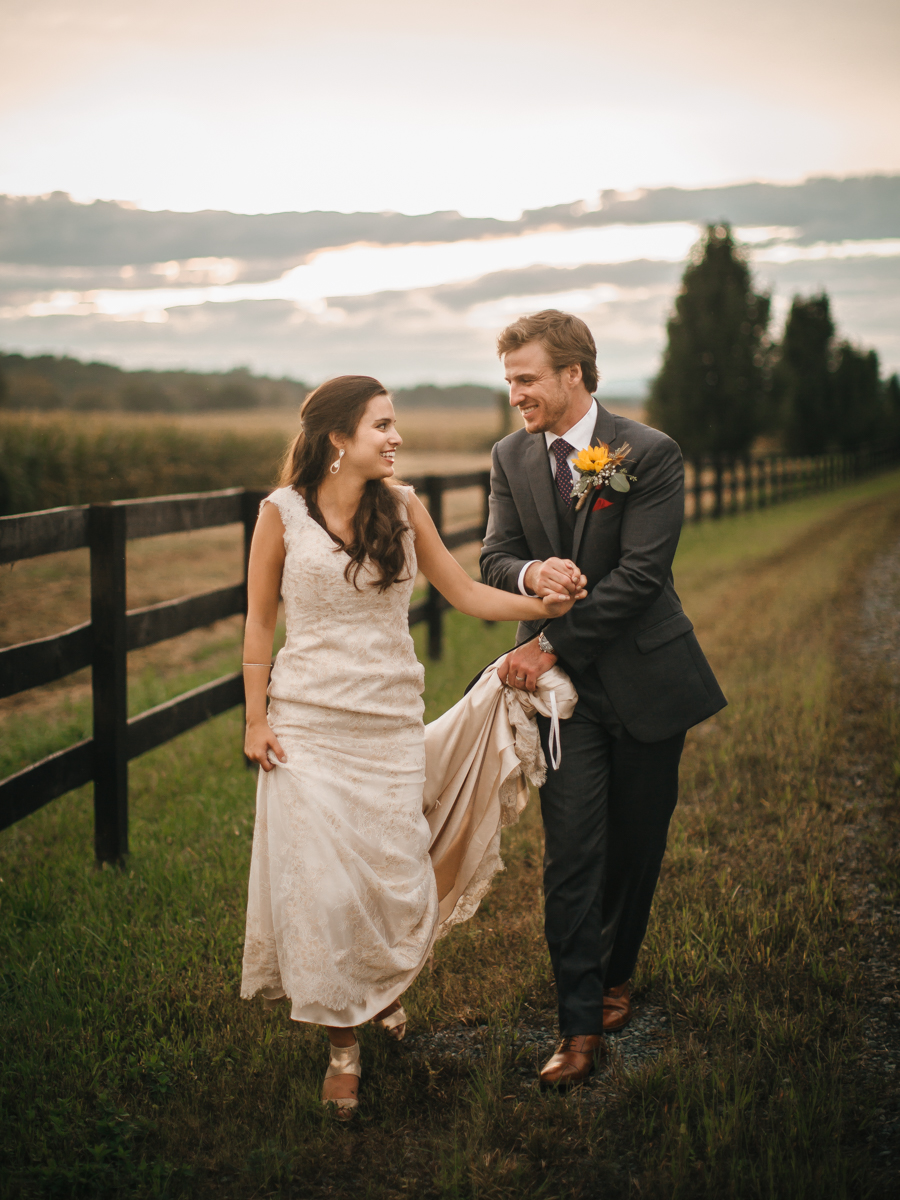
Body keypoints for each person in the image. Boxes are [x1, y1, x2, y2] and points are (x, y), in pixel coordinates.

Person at [239, 374, 584, 1118]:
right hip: (306, 727)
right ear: (339, 438)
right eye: (382, 426)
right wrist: (254, 720)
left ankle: (380, 985)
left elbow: (463, 591)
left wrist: (539, 605)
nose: (396, 438)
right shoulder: (280, 515)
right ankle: (343, 1047)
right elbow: (258, 627)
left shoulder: (403, 508)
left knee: (394, 876)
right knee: (327, 890)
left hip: (388, 723)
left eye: (394, 426)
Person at [480, 310, 727, 1089]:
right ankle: (578, 1025)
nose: (514, 392)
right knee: (573, 854)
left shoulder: (647, 454)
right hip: (567, 703)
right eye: (510, 377)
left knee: (635, 848)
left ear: (573, 376)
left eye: (526, 378)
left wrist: (549, 641)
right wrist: (531, 579)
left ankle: (618, 972)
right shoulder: (509, 457)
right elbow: (494, 555)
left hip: (648, 682)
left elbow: (641, 577)